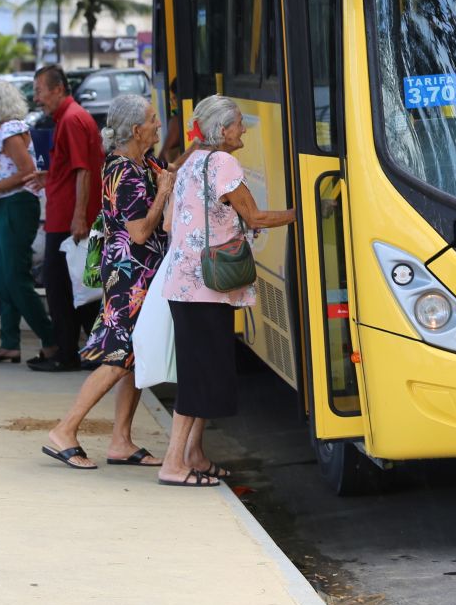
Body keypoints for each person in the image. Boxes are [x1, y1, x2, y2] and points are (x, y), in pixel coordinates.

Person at [154, 95, 295, 486]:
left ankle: (194, 455)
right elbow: (255, 215)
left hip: (186, 285)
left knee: (204, 372)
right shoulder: (223, 163)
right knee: (199, 376)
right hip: (206, 288)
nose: (243, 130)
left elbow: (169, 225)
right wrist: (304, 213)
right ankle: (173, 463)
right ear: (223, 130)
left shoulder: (191, 162)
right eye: (238, 124)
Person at [42, 94, 175, 469]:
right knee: (118, 358)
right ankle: (64, 430)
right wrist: (163, 194)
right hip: (129, 278)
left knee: (134, 357)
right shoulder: (123, 171)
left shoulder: (143, 162)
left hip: (141, 277)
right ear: (136, 130)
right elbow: (139, 232)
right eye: (153, 119)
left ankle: (121, 441)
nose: (158, 124)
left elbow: (173, 169)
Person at [0, 78, 57, 364]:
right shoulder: (7, 130)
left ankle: (51, 338)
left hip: (15, 206)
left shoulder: (10, 131)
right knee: (5, 277)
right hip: (6, 206)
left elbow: (26, 172)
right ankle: (9, 342)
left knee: (15, 278)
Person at [30, 64, 103, 373]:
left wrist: (78, 218)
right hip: (66, 216)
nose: (37, 99)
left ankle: (67, 353)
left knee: (62, 289)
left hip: (69, 221)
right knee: (77, 288)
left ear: (57, 89)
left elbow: (83, 170)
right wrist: (51, 176)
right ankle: (90, 349)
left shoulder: (72, 119)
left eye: (39, 91)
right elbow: (73, 168)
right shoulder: (70, 118)